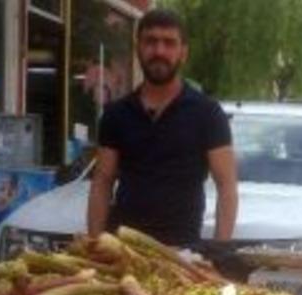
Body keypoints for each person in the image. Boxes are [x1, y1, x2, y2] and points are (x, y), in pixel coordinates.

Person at [86, 8, 238, 247]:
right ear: (138, 49)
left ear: (183, 53)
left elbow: (227, 185)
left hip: (183, 254)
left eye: (169, 43)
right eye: (151, 41)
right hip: (123, 253)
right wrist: (94, 244)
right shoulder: (116, 114)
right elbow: (102, 183)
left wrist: (220, 252)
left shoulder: (207, 114)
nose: (159, 51)